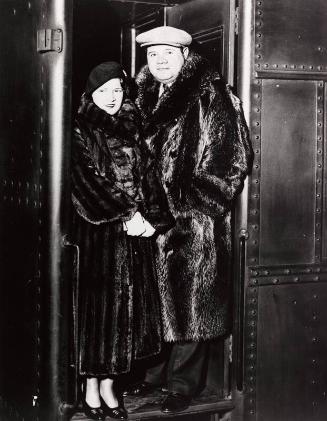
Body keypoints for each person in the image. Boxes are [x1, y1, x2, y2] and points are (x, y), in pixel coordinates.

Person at [124, 26, 253, 413]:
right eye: (152, 55)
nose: (159, 61)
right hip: (147, 223)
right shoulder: (139, 98)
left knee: (189, 305)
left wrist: (181, 209)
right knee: (155, 303)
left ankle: (183, 387)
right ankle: (151, 378)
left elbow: (230, 161)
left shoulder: (212, 95)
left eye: (167, 53)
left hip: (192, 224)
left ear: (185, 55)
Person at [71, 61, 174, 420]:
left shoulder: (134, 126)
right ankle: (91, 388)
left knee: (123, 319)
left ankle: (110, 386)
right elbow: (84, 181)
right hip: (99, 236)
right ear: (91, 95)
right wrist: (127, 214)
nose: (112, 98)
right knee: (98, 318)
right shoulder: (80, 127)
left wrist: (153, 220)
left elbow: (150, 176)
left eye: (117, 90)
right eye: (104, 92)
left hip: (134, 237)